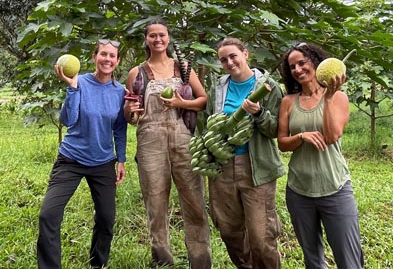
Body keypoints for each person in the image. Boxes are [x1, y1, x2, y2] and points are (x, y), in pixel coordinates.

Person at [124, 19, 211, 268]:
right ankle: (162, 260)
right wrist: (130, 110)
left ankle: (201, 261)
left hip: (183, 137)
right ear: (146, 40)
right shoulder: (137, 72)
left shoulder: (183, 68)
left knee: (194, 202)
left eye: (161, 35)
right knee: (155, 203)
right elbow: (131, 117)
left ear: (168, 38)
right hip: (150, 141)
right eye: (152, 35)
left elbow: (203, 100)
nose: (158, 39)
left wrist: (182, 104)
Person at [37, 39, 127, 269]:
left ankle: (98, 264)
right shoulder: (80, 82)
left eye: (112, 56)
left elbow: (119, 128)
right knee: (48, 214)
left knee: (106, 219)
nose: (107, 59)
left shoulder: (120, 92)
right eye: (103, 54)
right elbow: (68, 120)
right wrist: (72, 88)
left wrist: (121, 160)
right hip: (71, 160)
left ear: (117, 61)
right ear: (94, 57)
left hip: (103, 162)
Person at [278, 42, 364, 268]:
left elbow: (332, 135)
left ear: (315, 63)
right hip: (299, 190)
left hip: (335, 187)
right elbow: (282, 143)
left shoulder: (338, 98)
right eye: (292, 66)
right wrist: (301, 137)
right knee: (313, 259)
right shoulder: (288, 102)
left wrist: (327, 98)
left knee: (349, 258)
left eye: (302, 63)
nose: (297, 69)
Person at [208, 37, 286, 269]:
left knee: (261, 236)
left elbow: (276, 130)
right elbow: (207, 123)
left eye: (233, 56)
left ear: (245, 54)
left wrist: (260, 113)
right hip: (222, 166)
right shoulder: (218, 87)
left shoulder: (268, 86)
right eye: (223, 59)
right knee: (229, 230)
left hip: (256, 166)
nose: (229, 62)